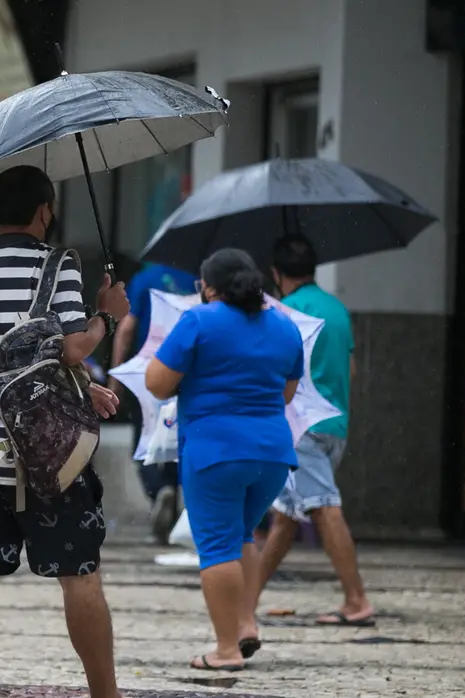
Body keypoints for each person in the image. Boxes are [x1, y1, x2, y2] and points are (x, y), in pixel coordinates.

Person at [0, 165, 128, 698]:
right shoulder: (58, 263)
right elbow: (68, 347)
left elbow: (10, 356)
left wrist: (80, 386)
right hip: (49, 452)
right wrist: (106, 315)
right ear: (45, 211)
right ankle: (105, 694)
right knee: (80, 574)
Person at [145, 248, 303, 671]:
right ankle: (245, 623)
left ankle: (226, 649)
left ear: (209, 287)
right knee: (241, 535)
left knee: (216, 547)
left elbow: (158, 384)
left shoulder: (199, 320)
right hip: (271, 454)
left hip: (215, 452)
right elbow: (285, 393)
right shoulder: (285, 326)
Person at [250, 235, 375, 627]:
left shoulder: (285, 312)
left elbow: (275, 369)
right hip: (336, 425)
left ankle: (356, 601)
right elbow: (350, 370)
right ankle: (244, 602)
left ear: (276, 274)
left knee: (324, 506)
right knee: (286, 518)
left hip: (302, 427)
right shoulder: (337, 309)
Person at [110, 262, 198, 543]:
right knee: (174, 438)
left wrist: (116, 378)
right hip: (184, 371)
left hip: (148, 372)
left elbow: (127, 327)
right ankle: (170, 509)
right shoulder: (196, 278)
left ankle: (157, 488)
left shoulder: (145, 278)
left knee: (144, 440)